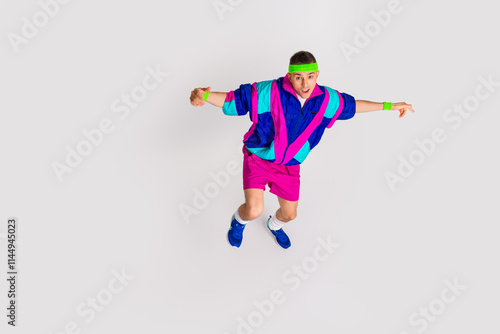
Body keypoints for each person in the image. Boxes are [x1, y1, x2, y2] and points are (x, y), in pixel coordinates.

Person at [189, 51, 414, 249]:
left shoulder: (328, 100)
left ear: (317, 75)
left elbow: (355, 105)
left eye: (309, 77)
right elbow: (232, 100)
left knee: (289, 214)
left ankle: (273, 226)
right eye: (298, 78)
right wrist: (204, 95)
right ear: (290, 77)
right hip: (259, 158)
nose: (304, 84)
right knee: (253, 209)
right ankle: (238, 222)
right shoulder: (268, 91)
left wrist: (391, 105)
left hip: (290, 165)